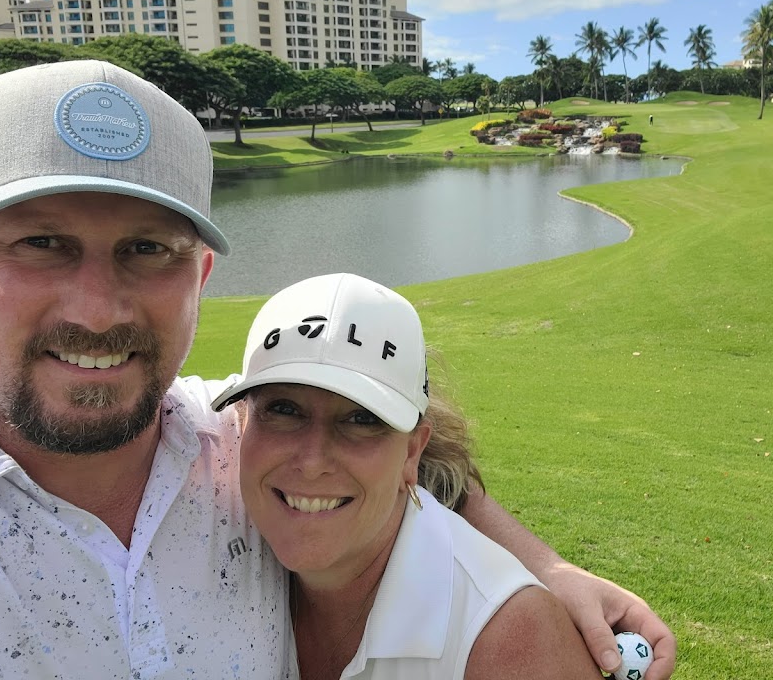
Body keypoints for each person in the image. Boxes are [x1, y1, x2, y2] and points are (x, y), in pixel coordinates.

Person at [0, 59, 675, 677]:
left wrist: (549, 569)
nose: (100, 311)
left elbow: (415, 457)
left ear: (200, 278)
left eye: (148, 249)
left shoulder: (228, 434)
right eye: (41, 243)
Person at [214, 272, 603, 679]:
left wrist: (552, 569)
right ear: (241, 422)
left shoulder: (508, 640)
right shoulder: (220, 535)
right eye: (283, 409)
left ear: (412, 452)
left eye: (361, 419)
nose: (312, 462)